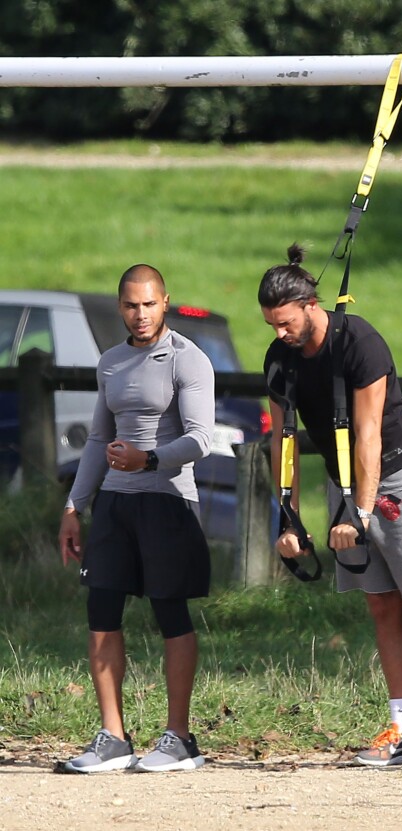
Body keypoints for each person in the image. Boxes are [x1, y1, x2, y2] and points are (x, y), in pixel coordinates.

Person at [258, 243, 402, 768]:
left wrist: (361, 514)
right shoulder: (279, 360)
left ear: (310, 305)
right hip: (345, 482)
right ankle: (399, 722)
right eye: (271, 325)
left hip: (398, 474)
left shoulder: (360, 343)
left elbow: (368, 434)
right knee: (380, 603)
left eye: (286, 323)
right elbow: (283, 442)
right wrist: (289, 518)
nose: (280, 334)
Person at [59, 264, 215, 774]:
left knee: (171, 614)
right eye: (131, 305)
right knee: (101, 612)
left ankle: (180, 738)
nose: (140, 314)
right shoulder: (111, 362)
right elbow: (98, 440)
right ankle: (113, 737)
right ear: (120, 306)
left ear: (165, 302)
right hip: (115, 503)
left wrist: (148, 459)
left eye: (149, 304)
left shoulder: (187, 359)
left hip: (167, 502)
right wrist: (74, 506)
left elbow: (200, 438)